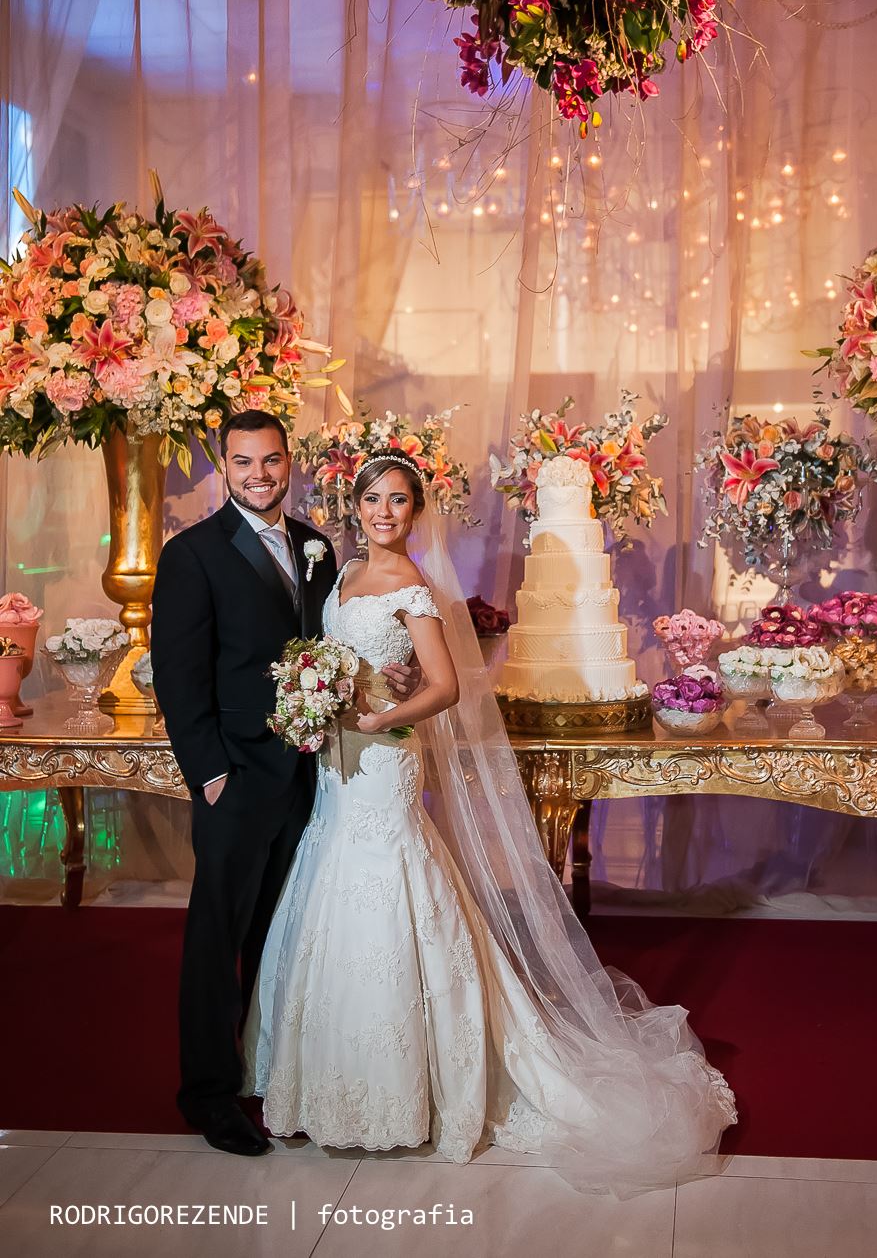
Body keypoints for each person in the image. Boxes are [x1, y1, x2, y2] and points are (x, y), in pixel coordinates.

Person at [244, 449, 736, 1193]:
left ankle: (421, 1088)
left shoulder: (412, 585)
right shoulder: (339, 576)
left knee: (390, 883)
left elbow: (443, 687)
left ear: (416, 511)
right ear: (355, 505)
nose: (385, 512)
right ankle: (330, 1084)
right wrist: (318, 697)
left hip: (384, 758)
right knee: (331, 879)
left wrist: (383, 713)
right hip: (337, 761)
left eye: (400, 501)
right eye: (373, 499)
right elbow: (341, 657)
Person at [150, 411, 419, 1157]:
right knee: (218, 937)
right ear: (222, 467)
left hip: (310, 777)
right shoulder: (192, 555)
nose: (259, 475)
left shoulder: (315, 544)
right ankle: (208, 1094)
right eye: (243, 463)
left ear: (287, 463)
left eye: (271, 461)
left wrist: (390, 671)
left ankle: (269, 1069)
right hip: (234, 779)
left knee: (281, 935)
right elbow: (180, 678)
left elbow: (334, 644)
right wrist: (209, 776)